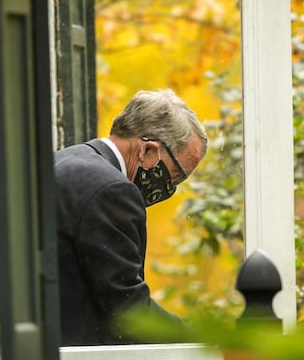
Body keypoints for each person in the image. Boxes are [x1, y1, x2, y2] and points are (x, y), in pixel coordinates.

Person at [54, 88, 208, 345]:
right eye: (175, 176)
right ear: (148, 151)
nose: (170, 188)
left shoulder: (64, 160)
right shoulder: (113, 191)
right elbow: (129, 310)